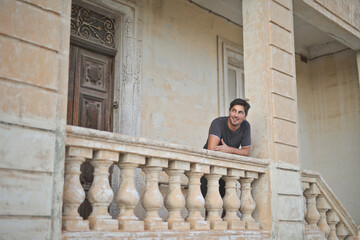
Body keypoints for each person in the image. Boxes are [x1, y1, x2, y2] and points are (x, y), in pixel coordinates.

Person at [201, 98, 251, 197]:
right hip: (208, 167)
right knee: (209, 204)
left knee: (227, 203)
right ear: (229, 111)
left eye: (240, 112)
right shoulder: (218, 123)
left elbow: (247, 152)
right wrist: (236, 151)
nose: (236, 115)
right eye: (234, 111)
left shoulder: (246, 126)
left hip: (226, 168)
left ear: (245, 116)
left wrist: (229, 149)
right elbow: (212, 149)